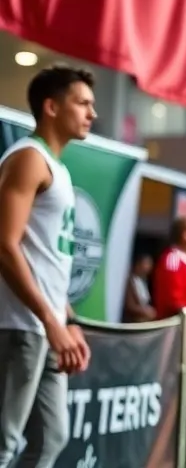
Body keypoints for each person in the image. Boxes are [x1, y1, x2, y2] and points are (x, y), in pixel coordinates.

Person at [0, 66, 97, 467]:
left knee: (51, 438)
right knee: (4, 443)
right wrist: (50, 320)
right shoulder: (28, 158)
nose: (92, 113)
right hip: (19, 324)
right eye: (83, 103)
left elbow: (47, 259)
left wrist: (67, 319)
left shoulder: (57, 168)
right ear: (51, 106)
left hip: (45, 325)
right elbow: (4, 245)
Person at [123, 254, 156, 323]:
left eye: (150, 264)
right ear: (138, 264)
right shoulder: (130, 281)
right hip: (132, 321)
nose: (148, 267)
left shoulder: (145, 281)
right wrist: (143, 311)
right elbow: (129, 306)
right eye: (146, 263)